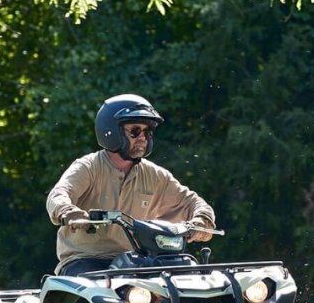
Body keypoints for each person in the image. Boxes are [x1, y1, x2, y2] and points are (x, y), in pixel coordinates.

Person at [46, 94, 216, 277]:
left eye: (148, 131)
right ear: (110, 131)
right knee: (98, 292)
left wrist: (202, 219)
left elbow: (192, 201)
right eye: (135, 131)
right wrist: (69, 212)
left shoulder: (155, 175)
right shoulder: (88, 167)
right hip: (86, 260)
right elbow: (58, 195)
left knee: (184, 279)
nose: (143, 137)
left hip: (135, 261)